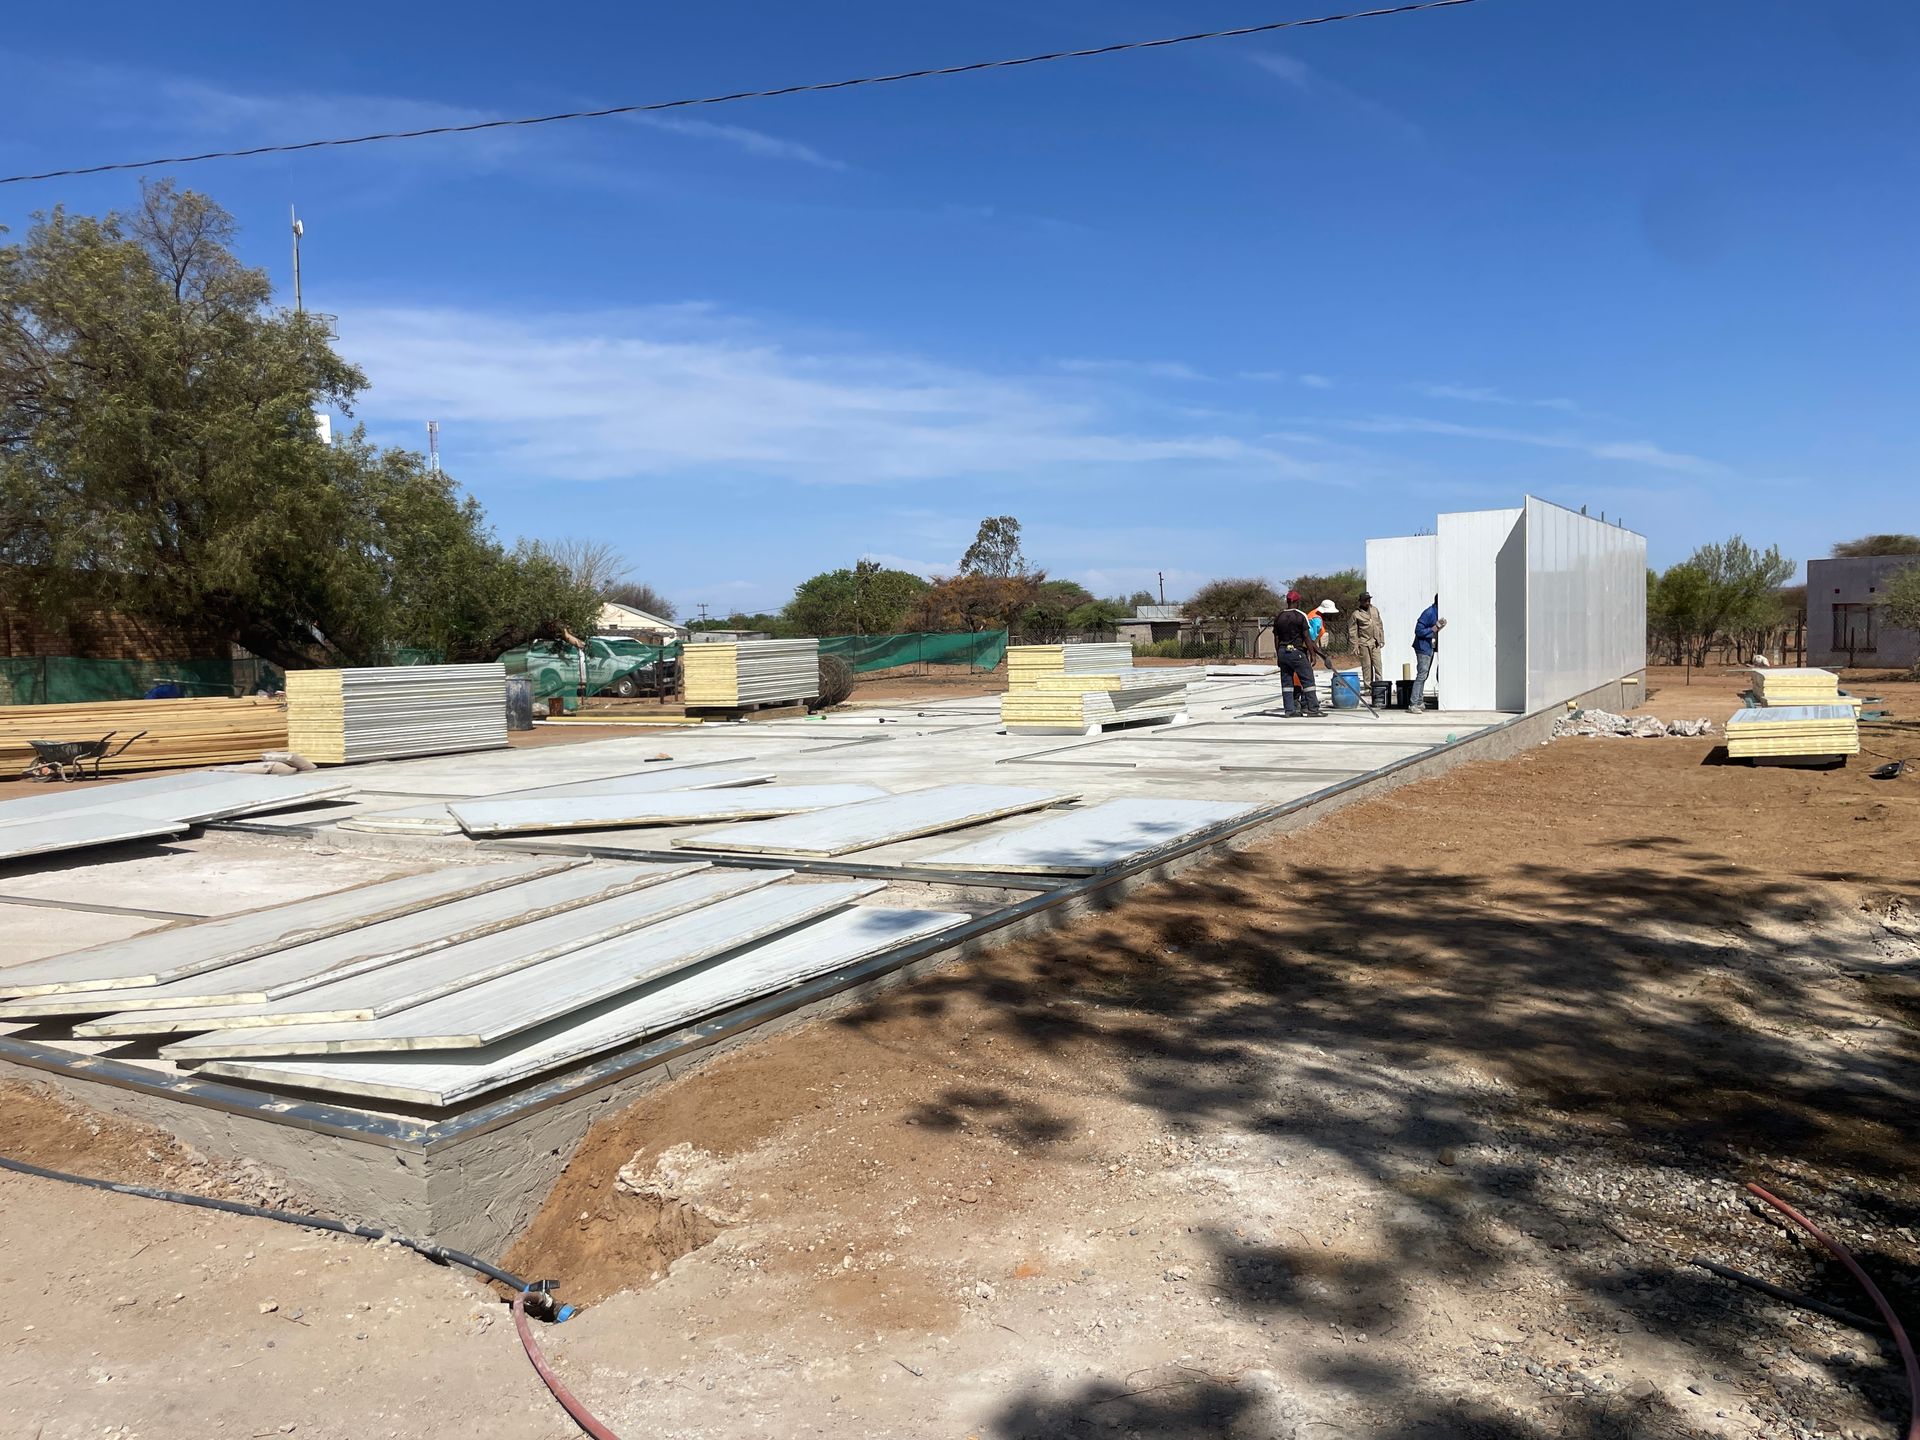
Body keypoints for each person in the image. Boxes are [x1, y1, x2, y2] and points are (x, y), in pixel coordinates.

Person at [1272, 590, 1324, 717]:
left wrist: (1279, 655)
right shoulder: (1300, 616)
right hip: (1297, 652)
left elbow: (1276, 638)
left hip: (1283, 652)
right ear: (1297, 602)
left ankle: (1289, 710)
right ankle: (1313, 709)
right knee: (1308, 680)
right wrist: (1313, 654)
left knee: (1287, 683)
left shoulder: (1279, 616)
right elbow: (1306, 637)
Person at [1408, 594, 1446, 711]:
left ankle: (1419, 701)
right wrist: (1433, 629)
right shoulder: (1429, 612)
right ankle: (1413, 704)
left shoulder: (1437, 612)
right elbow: (1418, 630)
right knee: (1421, 675)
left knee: (1424, 675)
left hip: (1430, 647)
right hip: (1423, 647)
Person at [1350, 591, 1385, 690]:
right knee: (1367, 666)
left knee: (1378, 665)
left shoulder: (1375, 610)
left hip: (1375, 642)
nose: (1367, 602)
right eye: (1365, 600)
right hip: (1364, 643)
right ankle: (1368, 687)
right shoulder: (1356, 614)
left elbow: (1380, 624)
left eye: (1368, 600)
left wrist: (1381, 638)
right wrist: (1355, 645)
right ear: (1360, 601)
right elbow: (1352, 631)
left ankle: (1379, 686)